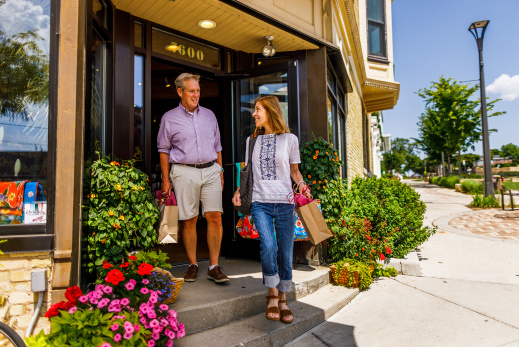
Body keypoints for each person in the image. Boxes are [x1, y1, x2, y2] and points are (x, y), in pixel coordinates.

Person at [232, 95, 311, 324]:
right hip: (260, 201)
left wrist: (304, 188)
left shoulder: (290, 139)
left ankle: (284, 297)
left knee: (285, 252)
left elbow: (294, 172)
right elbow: (248, 173)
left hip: (285, 203)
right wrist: (239, 191)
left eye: (258, 110)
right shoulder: (251, 141)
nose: (254, 114)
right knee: (268, 246)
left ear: (270, 111)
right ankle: (272, 295)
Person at [157, 73, 228, 284]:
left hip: (211, 169)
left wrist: (220, 171)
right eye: (191, 91)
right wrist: (166, 180)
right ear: (180, 92)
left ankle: (214, 266)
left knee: (215, 217)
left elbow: (218, 147)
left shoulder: (209, 115)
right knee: (190, 220)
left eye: (198, 90)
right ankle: (192, 264)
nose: (196, 95)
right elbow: (163, 150)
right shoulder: (169, 118)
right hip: (183, 171)